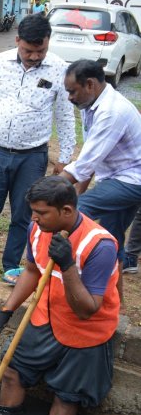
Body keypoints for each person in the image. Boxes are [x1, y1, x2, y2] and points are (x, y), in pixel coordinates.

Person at [0, 175, 119, 415]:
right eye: (33, 212)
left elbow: (87, 309)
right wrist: (6, 310)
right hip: (46, 316)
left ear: (66, 210)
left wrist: (67, 264)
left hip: (85, 331)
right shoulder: (38, 229)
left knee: (67, 397)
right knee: (12, 370)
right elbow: (32, 271)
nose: (33, 218)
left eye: (41, 213)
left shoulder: (100, 244)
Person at [0, 14, 75, 283]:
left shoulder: (59, 69)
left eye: (40, 51)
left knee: (25, 215)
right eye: (28, 50)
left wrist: (65, 157)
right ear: (17, 41)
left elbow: (65, 115)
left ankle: (12, 265)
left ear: (48, 44)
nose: (34, 56)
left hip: (33, 156)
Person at [60, 59, 141, 304]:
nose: (69, 97)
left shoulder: (112, 111)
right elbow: (91, 160)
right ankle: (118, 304)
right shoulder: (92, 105)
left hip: (133, 180)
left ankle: (63, 265)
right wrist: (74, 190)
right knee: (111, 237)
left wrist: (52, 192)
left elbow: (84, 165)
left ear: (91, 85)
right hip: (116, 178)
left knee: (79, 211)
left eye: (72, 91)